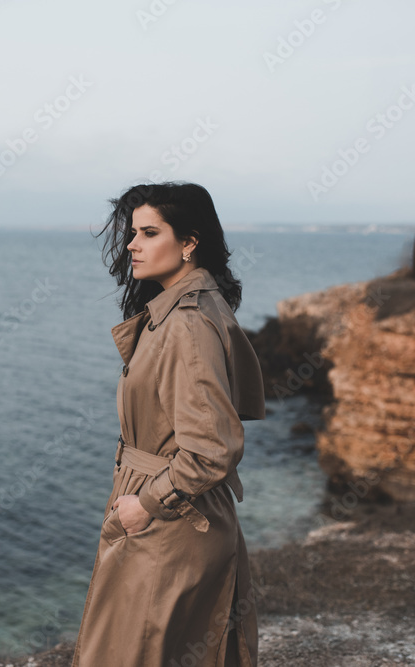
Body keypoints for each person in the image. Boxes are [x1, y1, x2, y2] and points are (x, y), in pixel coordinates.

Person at [71, 182, 266, 667]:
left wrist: (146, 504)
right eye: (133, 232)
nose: (133, 244)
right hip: (170, 516)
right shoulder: (186, 308)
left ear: (189, 242)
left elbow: (211, 449)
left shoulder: (187, 323)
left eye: (149, 232)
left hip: (170, 521)